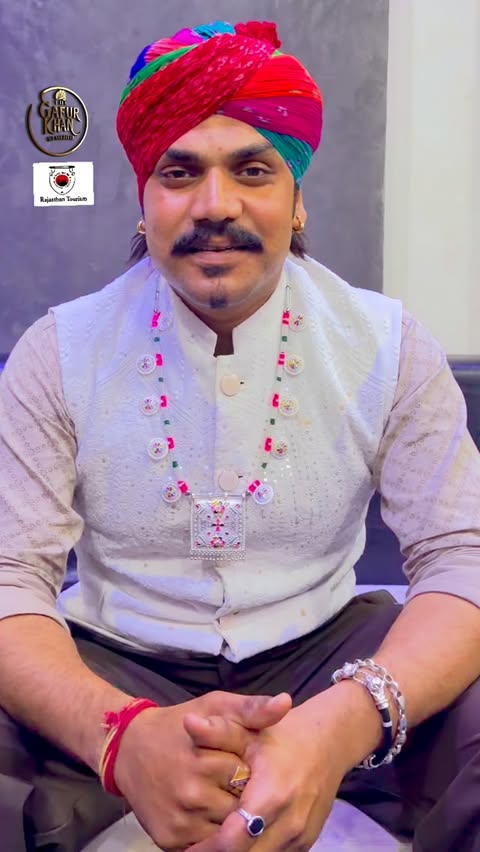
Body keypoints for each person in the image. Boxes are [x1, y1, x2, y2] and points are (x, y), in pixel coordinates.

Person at [1, 18, 480, 852]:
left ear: (297, 200)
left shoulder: (388, 346)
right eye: (179, 172)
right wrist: (117, 736)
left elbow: (460, 555)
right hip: (115, 657)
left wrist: (346, 720)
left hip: (330, 656)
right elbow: (10, 577)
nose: (215, 205)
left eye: (253, 171)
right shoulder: (58, 352)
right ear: (144, 202)